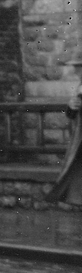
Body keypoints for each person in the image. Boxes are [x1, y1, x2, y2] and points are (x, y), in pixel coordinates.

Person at [45, 50, 82, 206]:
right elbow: (73, 113)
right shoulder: (80, 86)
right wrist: (72, 107)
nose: (76, 70)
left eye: (79, 66)